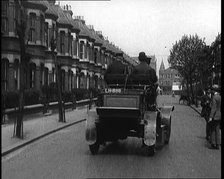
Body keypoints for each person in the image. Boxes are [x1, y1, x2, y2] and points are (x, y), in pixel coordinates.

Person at [208, 84, 221, 149]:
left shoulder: (214, 97)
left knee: (212, 129)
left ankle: (213, 143)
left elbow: (213, 108)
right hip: (219, 115)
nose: (211, 91)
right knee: (217, 130)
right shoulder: (220, 97)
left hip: (215, 116)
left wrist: (210, 117)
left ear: (214, 90)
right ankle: (218, 144)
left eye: (212, 90)